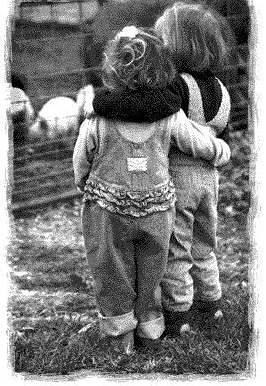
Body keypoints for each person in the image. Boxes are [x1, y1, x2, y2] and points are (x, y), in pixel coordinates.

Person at [73, 26, 230, 354]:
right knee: (152, 271)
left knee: (112, 268)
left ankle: (121, 338)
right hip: (156, 210)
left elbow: (81, 158)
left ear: (111, 72)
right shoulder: (170, 116)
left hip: (107, 209)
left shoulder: (97, 120)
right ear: (162, 72)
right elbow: (198, 143)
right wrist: (220, 151)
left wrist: (82, 182)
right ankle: (151, 330)